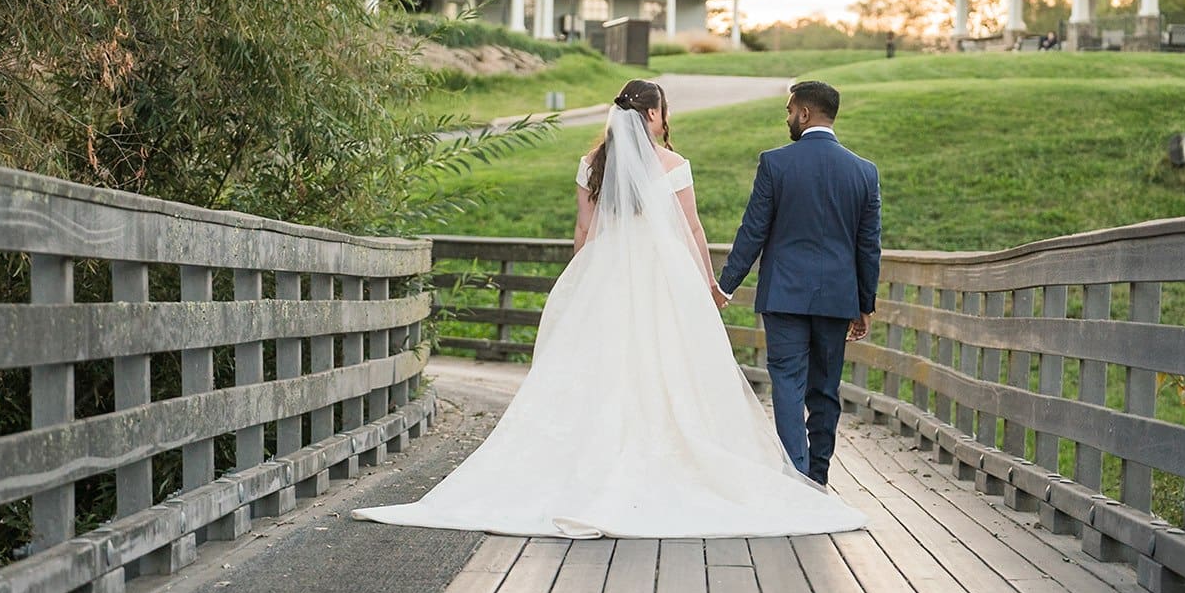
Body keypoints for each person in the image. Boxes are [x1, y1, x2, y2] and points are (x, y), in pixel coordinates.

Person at [351, 79, 866, 539]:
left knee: (605, 369)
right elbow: (691, 230)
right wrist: (707, 282)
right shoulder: (674, 165)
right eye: (663, 111)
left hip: (609, 275)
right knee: (667, 369)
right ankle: (782, 471)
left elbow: (584, 233)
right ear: (651, 117)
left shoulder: (591, 164)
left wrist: (584, 281)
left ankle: (597, 460)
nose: (667, 121)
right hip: (663, 280)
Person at [714, 81, 882, 488]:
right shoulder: (863, 171)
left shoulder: (776, 163)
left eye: (790, 110)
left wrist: (726, 286)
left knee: (787, 384)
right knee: (825, 388)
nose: (787, 117)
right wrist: (865, 304)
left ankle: (796, 479)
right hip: (837, 299)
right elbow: (868, 245)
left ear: (805, 113)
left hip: (784, 296)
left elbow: (752, 231)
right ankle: (819, 478)